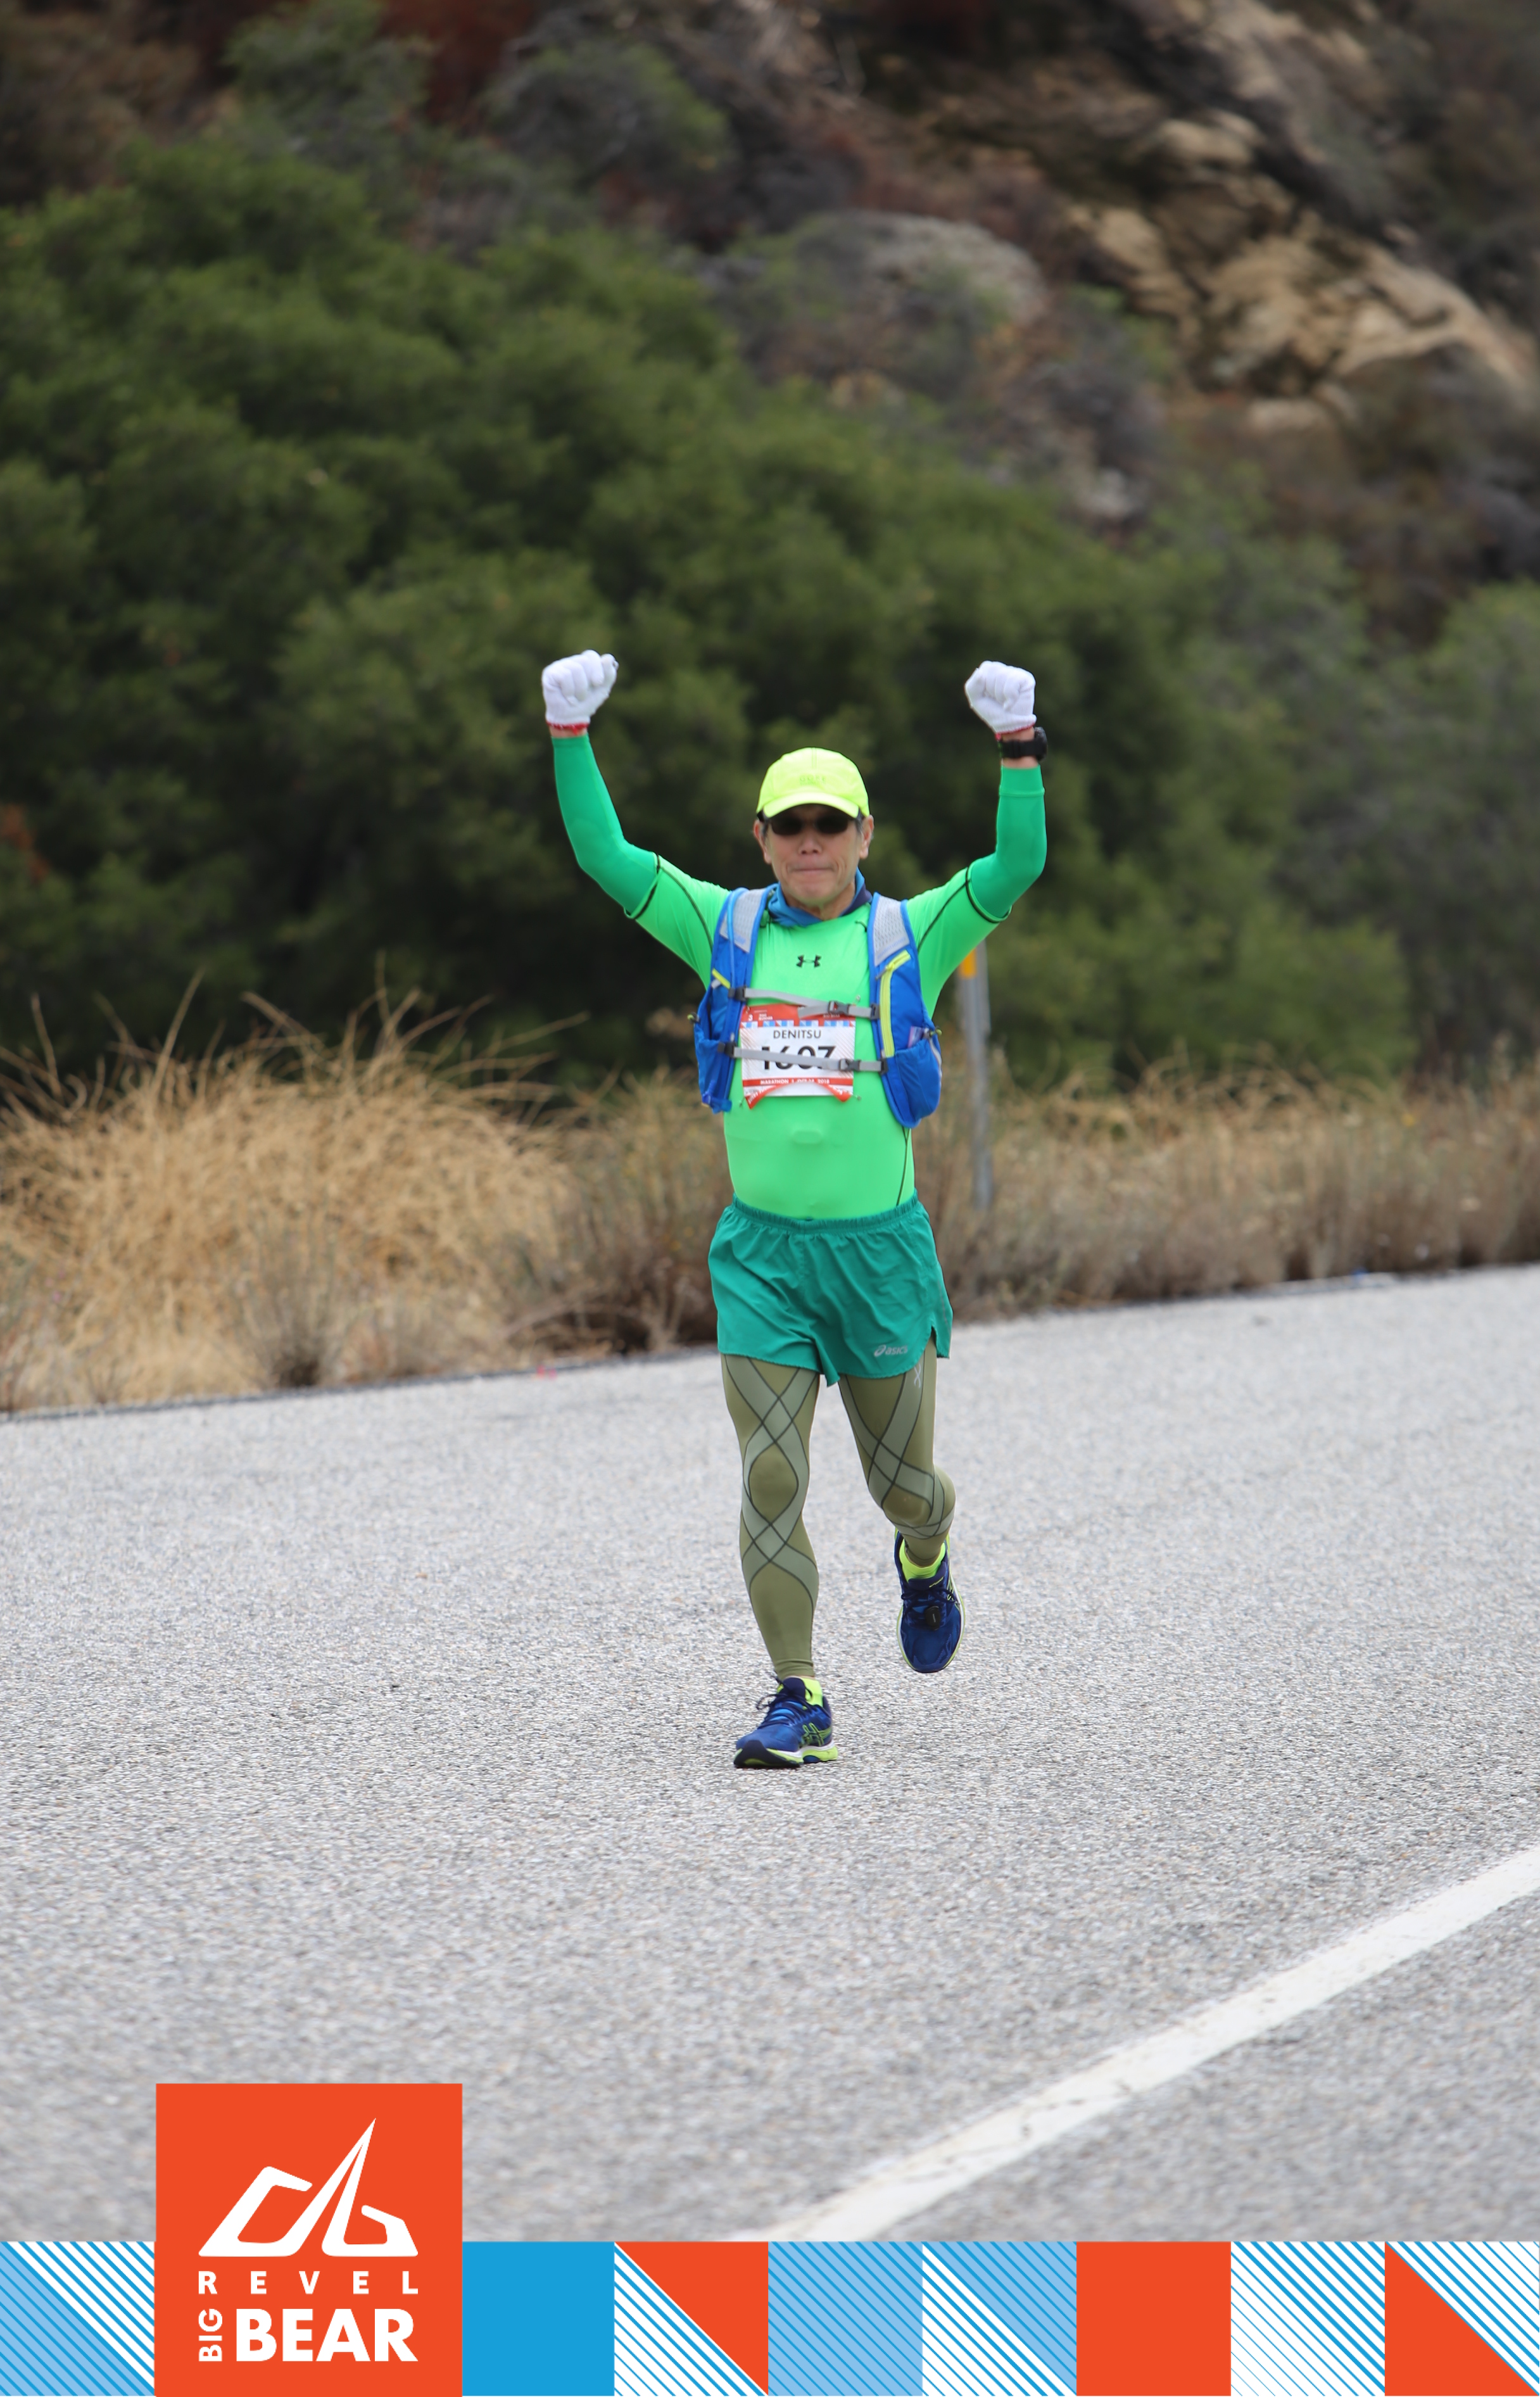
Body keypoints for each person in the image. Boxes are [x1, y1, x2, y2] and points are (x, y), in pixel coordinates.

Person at [543, 648, 1047, 1766]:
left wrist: (1018, 748)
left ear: (865, 834)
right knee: (772, 1474)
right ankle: (798, 1695)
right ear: (762, 838)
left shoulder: (911, 932)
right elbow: (606, 859)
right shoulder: (723, 927)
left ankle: (926, 1554)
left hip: (879, 1258)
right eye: (790, 824)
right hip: (763, 1258)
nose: (809, 841)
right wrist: (569, 737)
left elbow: (1017, 866)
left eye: (829, 823)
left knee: (903, 1486)